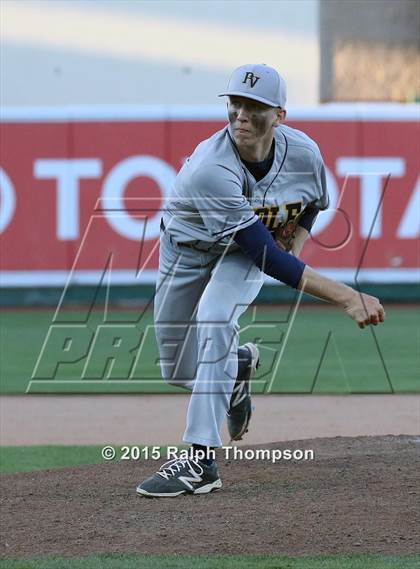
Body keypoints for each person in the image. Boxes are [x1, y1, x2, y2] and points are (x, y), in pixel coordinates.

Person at [136, 64, 385, 498]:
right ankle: (237, 371)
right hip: (186, 249)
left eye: (254, 107)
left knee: (215, 319)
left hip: (240, 253)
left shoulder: (304, 152)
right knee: (177, 370)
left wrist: (299, 243)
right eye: (235, 104)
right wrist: (347, 297)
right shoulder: (211, 169)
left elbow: (311, 204)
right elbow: (269, 258)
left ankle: (199, 462)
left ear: (280, 115)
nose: (241, 116)